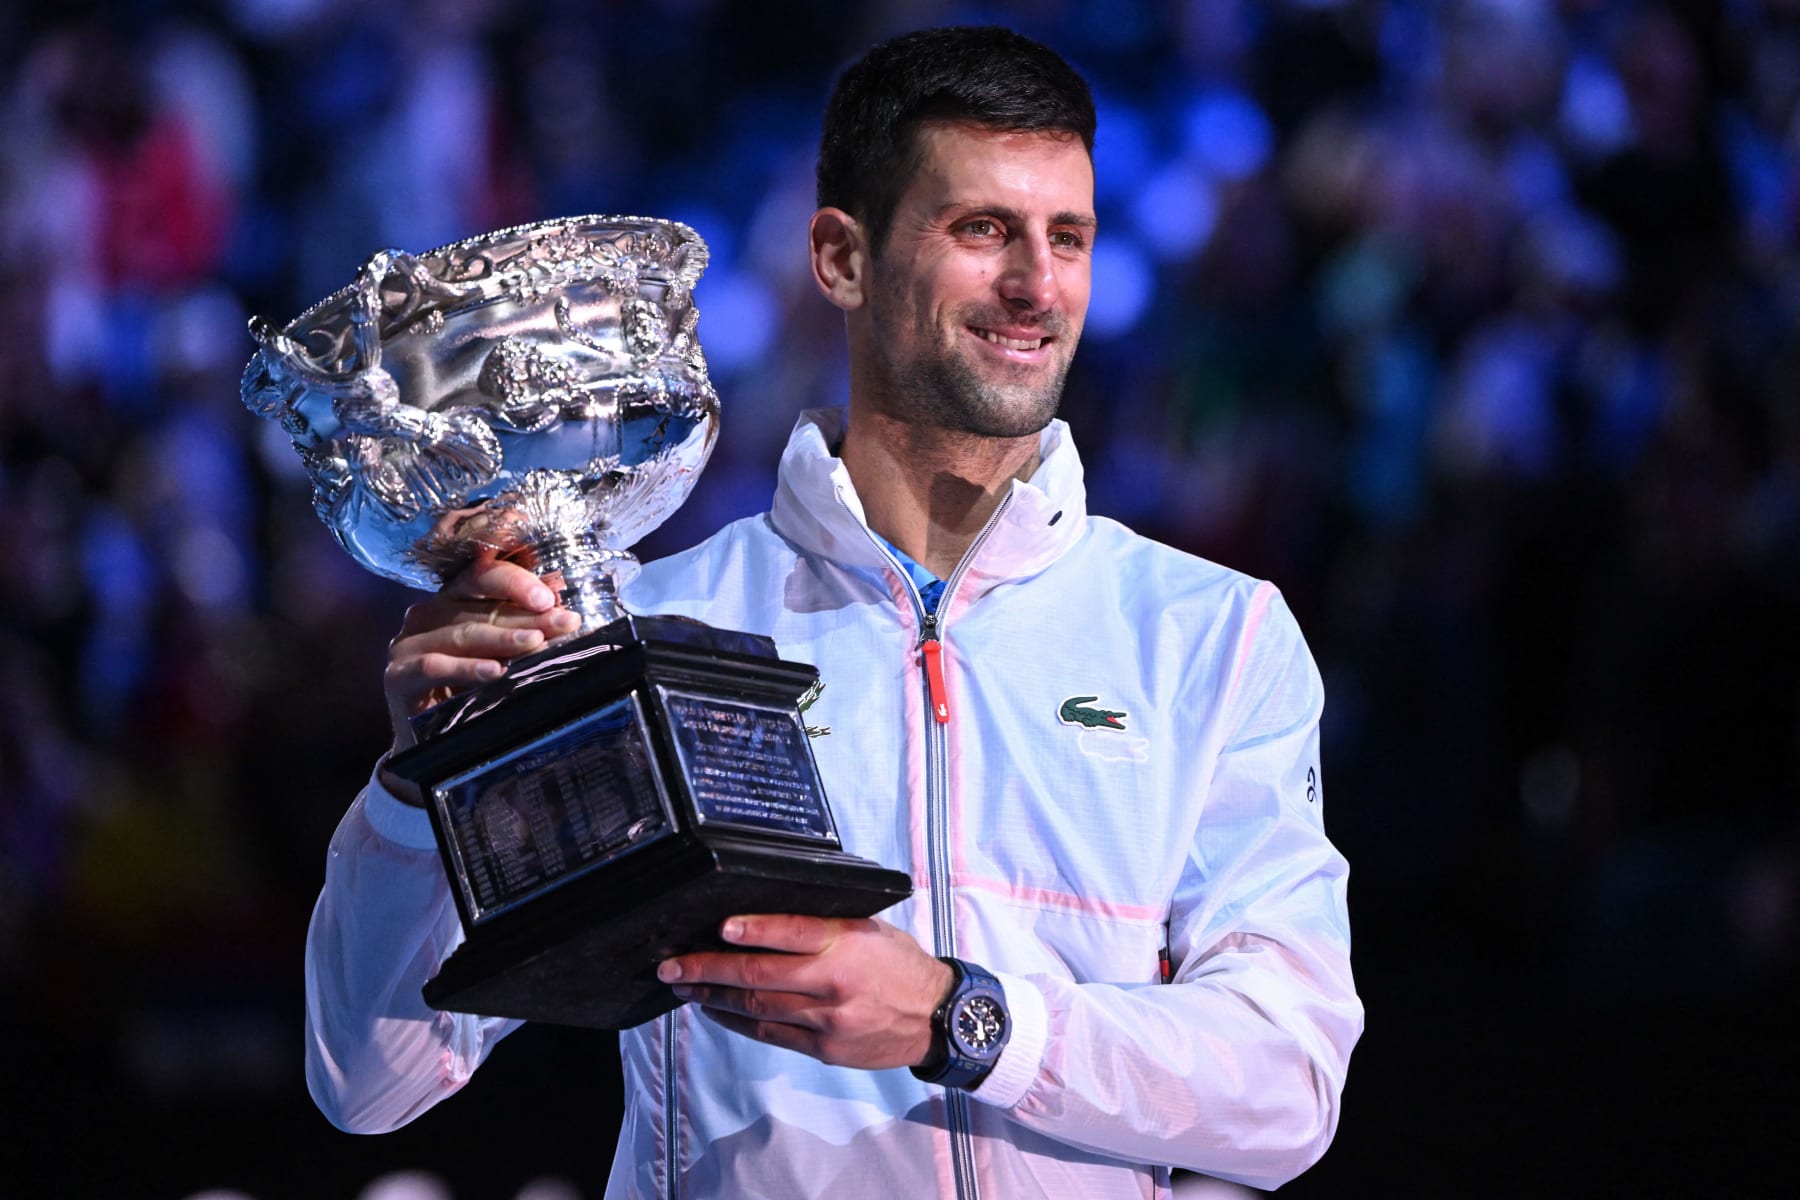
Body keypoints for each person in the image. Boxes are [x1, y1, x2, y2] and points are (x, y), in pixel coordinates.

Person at [305, 25, 1362, 1198]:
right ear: (840, 258)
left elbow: (1290, 1082)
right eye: (983, 231)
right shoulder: (640, 630)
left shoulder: (1211, 635)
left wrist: (963, 1020)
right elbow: (373, 1079)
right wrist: (415, 800)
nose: (1037, 284)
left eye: (1069, 236)